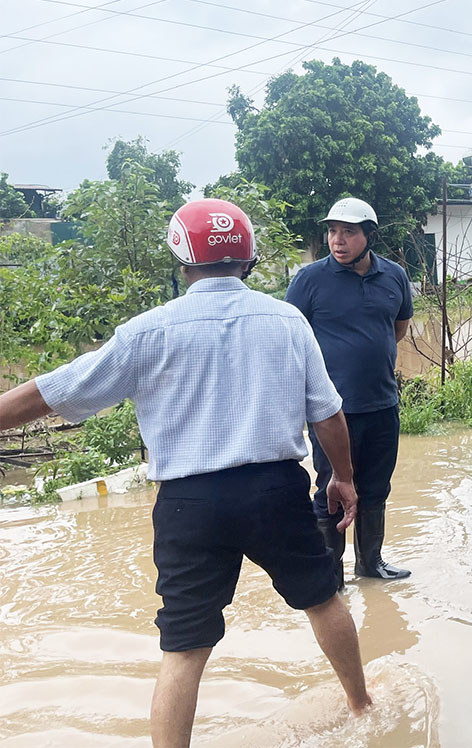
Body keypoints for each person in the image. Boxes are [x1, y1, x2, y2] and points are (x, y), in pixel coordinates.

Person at [0, 198, 371, 746]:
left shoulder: (146, 331)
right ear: (247, 259)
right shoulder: (286, 319)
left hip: (187, 502)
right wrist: (343, 477)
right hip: (276, 490)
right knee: (323, 599)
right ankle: (364, 709)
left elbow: (53, 392)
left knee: (184, 647)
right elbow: (328, 413)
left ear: (181, 258)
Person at [286, 197, 414, 584]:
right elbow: (290, 338)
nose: (337, 240)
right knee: (332, 489)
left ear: (369, 236)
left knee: (376, 488)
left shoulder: (394, 276)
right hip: (330, 413)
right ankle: (331, 576)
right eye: (332, 231)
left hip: (382, 404)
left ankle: (369, 564)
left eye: (348, 232)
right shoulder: (309, 281)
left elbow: (398, 328)